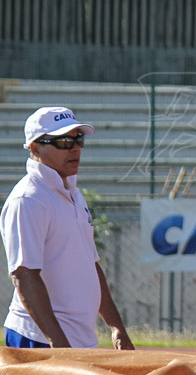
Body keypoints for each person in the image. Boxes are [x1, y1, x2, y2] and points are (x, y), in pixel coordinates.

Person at [1, 107, 134, 349]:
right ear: (34, 148)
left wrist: (116, 327)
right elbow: (24, 275)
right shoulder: (28, 199)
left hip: (77, 341)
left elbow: (90, 264)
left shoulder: (73, 193)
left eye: (78, 139)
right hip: (39, 340)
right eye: (62, 141)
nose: (74, 148)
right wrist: (59, 345)